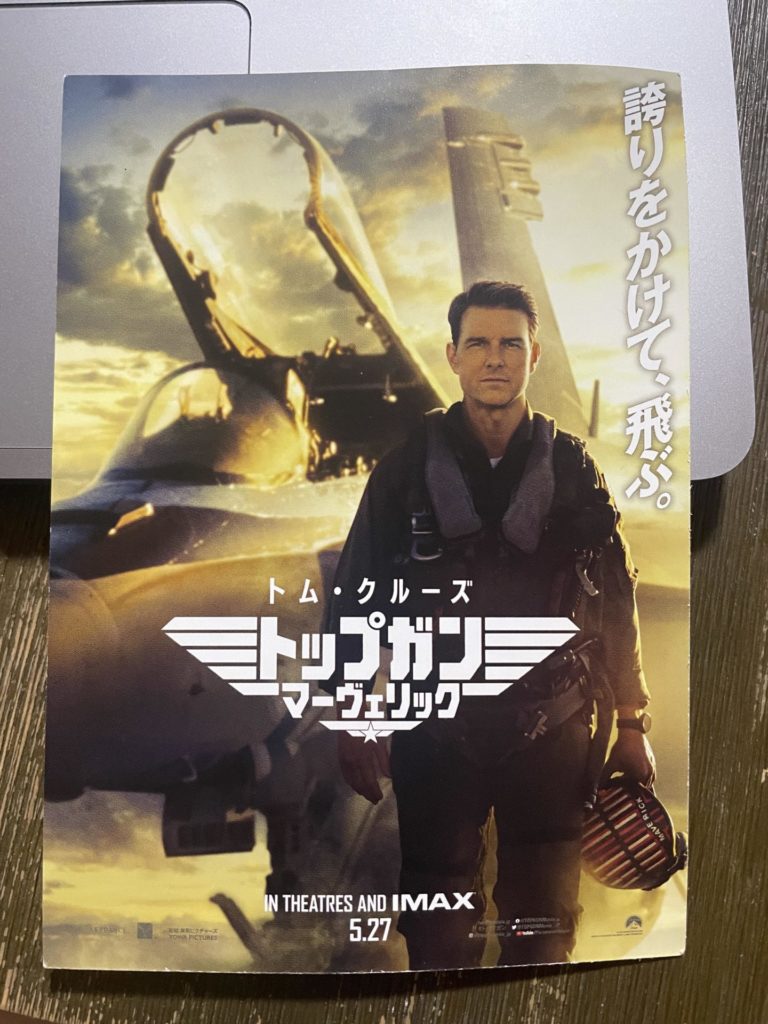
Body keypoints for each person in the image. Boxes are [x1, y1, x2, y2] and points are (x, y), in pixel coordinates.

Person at [324, 280, 655, 969]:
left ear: (534, 355)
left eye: (511, 343)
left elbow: (614, 600)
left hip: (553, 728)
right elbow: (356, 591)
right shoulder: (405, 472)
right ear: (452, 356)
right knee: (437, 932)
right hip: (435, 729)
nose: (495, 358)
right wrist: (353, 713)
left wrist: (632, 722)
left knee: (545, 935)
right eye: (478, 343)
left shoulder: (574, 471)